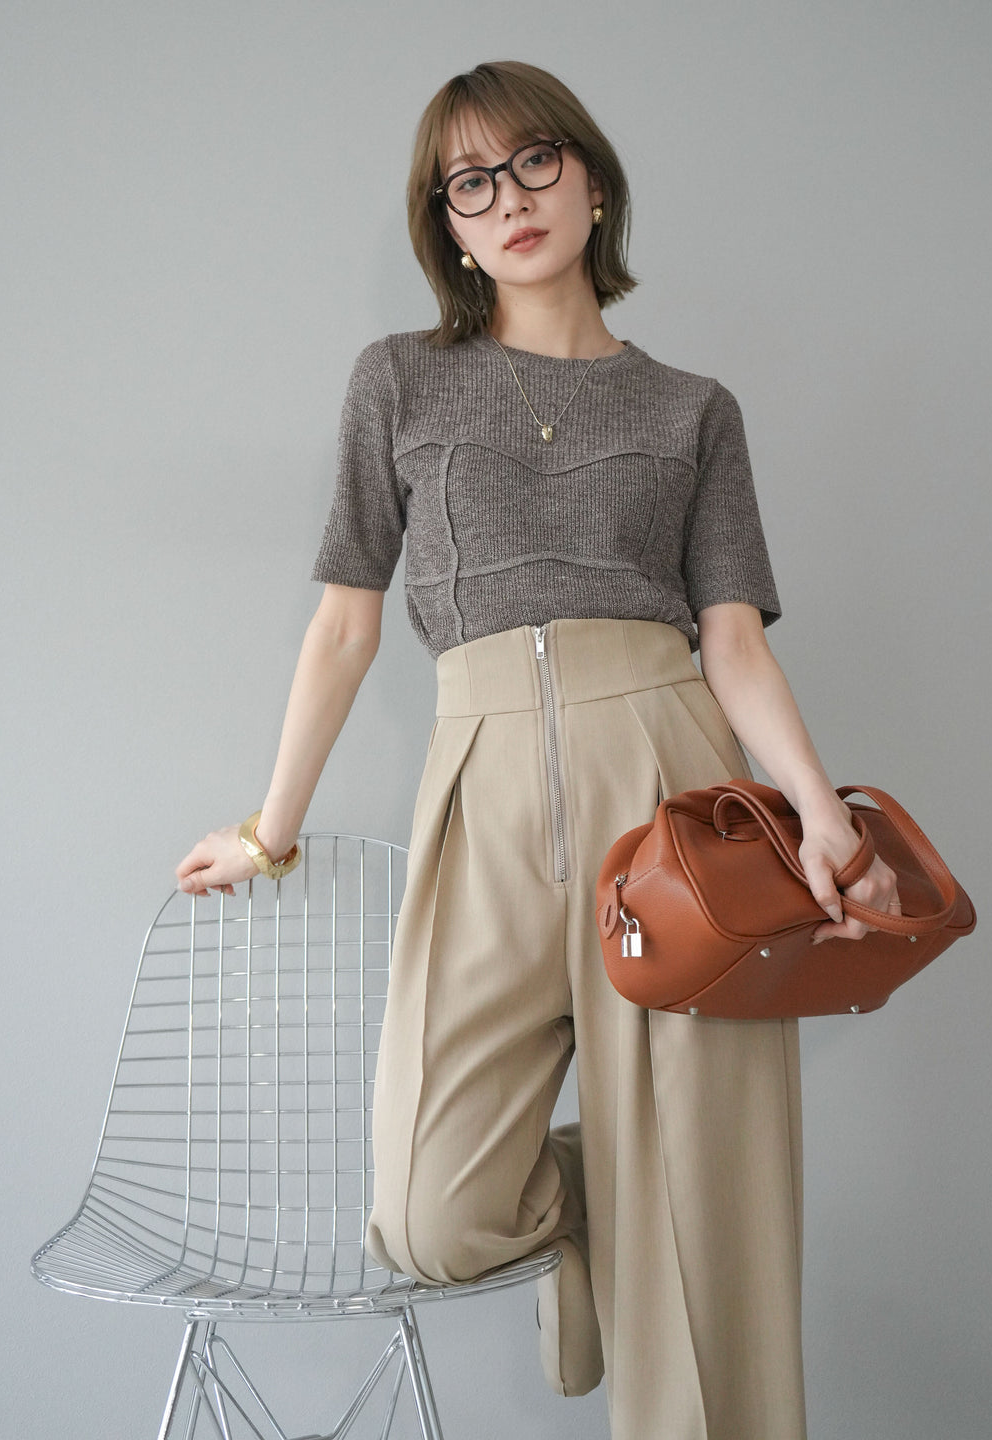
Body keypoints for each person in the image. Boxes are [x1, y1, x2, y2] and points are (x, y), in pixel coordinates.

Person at [176, 59, 900, 1440]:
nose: (507, 199)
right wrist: (271, 827)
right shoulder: (399, 382)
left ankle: (671, 1215)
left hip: (674, 793)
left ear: (593, 182)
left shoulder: (693, 409)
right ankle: (609, 1193)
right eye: (470, 183)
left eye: (533, 163)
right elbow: (344, 628)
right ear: (446, 226)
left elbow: (734, 643)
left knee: (716, 1223)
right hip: (485, 792)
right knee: (432, 1210)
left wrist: (818, 813)